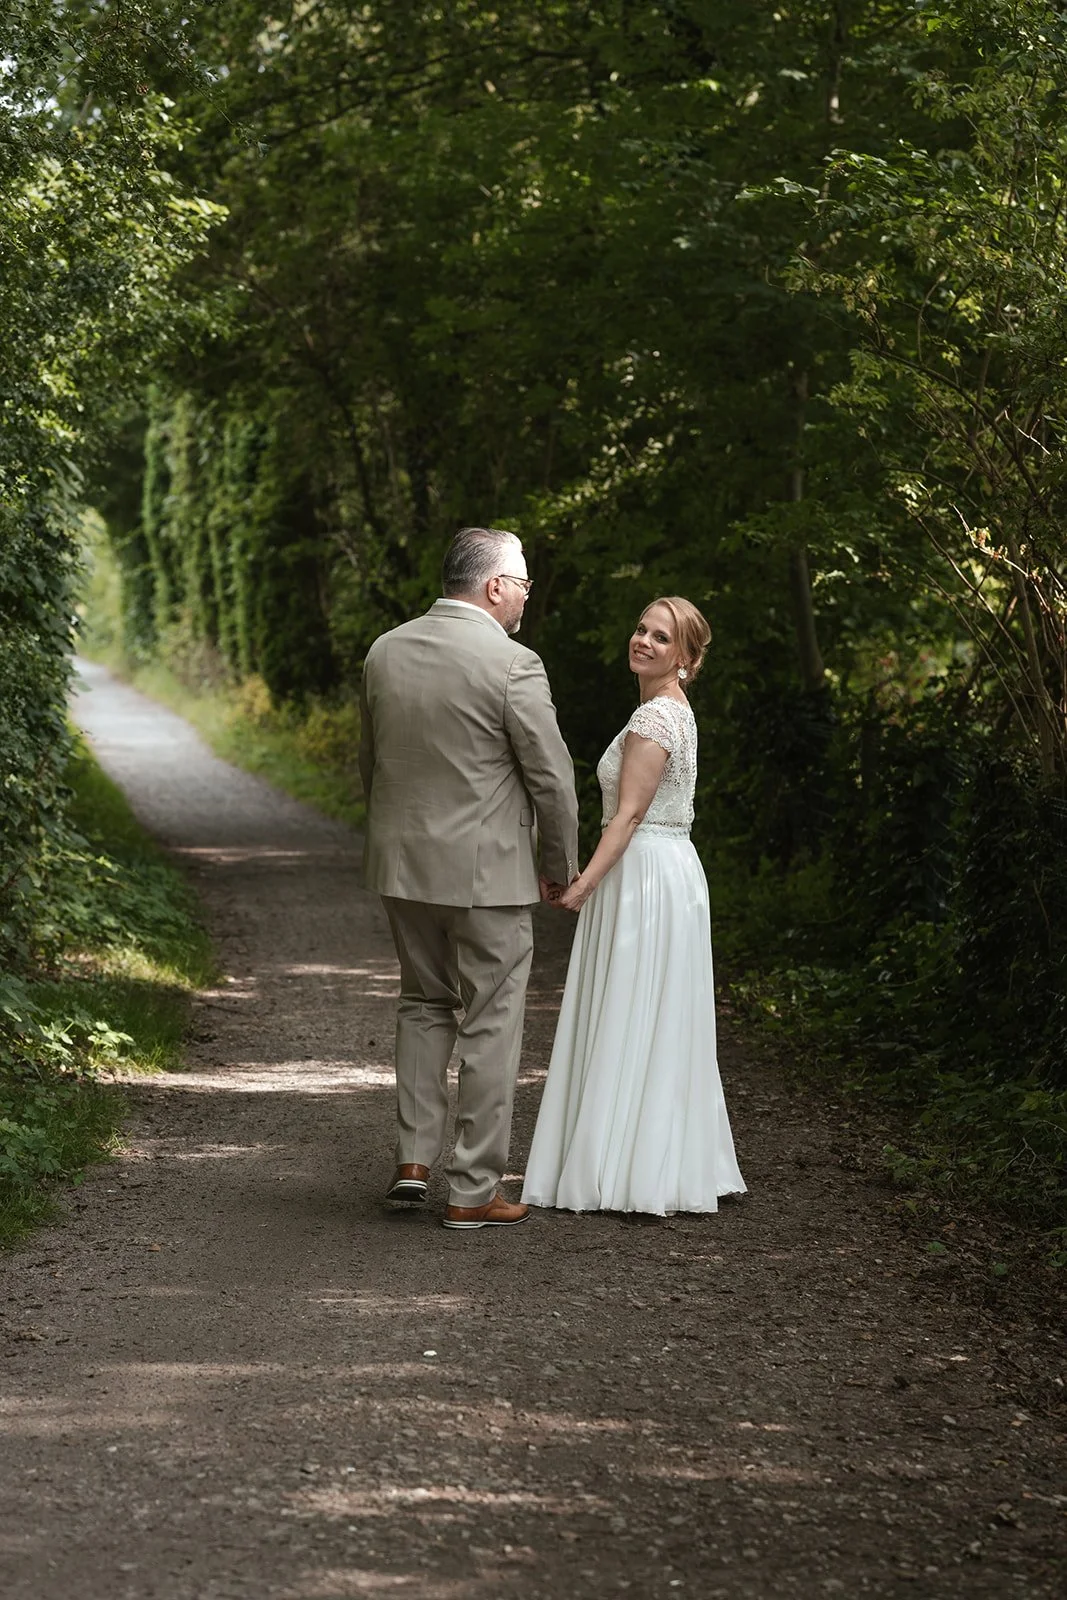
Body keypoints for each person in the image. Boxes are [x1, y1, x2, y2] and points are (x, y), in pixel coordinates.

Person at [359, 526, 579, 1230]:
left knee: (423, 1002)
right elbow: (552, 782)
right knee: (490, 1024)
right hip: (487, 875)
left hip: (402, 865)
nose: (524, 594)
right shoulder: (513, 663)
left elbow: (372, 763)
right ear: (492, 586)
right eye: (520, 583)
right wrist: (558, 869)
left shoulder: (384, 651)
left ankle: (412, 1162)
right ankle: (471, 1189)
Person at [522, 596, 746, 1215]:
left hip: (644, 872)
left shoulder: (656, 721)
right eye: (641, 628)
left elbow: (627, 816)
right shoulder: (667, 710)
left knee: (633, 1003)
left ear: (686, 657)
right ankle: (649, 1159)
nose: (643, 641)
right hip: (664, 868)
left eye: (661, 637)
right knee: (651, 1010)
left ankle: (625, 1166)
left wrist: (580, 885)